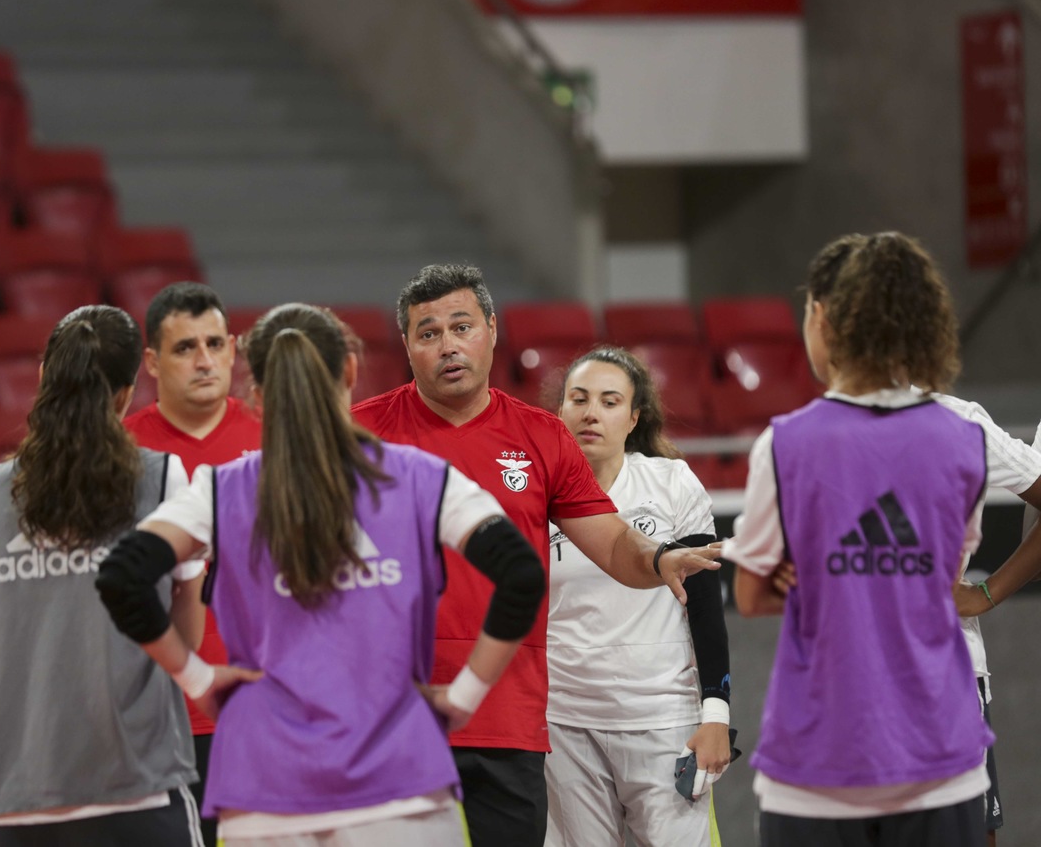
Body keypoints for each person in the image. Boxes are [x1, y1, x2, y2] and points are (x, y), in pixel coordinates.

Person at [95, 302, 548, 846]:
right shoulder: (421, 478)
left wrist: (197, 679)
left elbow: (122, 576)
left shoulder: (221, 490)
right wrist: (463, 696)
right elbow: (521, 573)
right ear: (351, 372)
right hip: (401, 787)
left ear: (258, 395)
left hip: (264, 793)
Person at [351, 263, 721, 847]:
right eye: (428, 333)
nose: (448, 345)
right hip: (389, 719)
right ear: (407, 346)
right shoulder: (356, 437)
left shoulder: (541, 436)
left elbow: (613, 541)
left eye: (462, 326)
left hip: (509, 719)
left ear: (492, 331)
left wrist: (658, 559)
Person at [725, 232, 1001, 846]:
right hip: (943, 757)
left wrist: (806, 580)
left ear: (823, 317)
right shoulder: (966, 442)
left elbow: (750, 595)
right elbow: (939, 578)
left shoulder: (786, 443)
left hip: (817, 765)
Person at [0, 305, 205, 846]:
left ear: (46, 376)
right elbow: (185, 641)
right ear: (125, 393)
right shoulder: (162, 478)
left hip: (12, 805)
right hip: (134, 790)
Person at [545, 346, 731, 847]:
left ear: (633, 417)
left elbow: (707, 608)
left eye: (609, 402)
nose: (590, 413)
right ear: (559, 412)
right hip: (564, 725)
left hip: (663, 720)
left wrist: (716, 713)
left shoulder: (670, 482)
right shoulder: (533, 495)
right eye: (578, 399)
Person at [123, 283, 260, 844]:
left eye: (214, 344)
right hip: (160, 715)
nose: (204, 361)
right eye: (185, 348)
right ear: (152, 362)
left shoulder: (278, 438)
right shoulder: (121, 451)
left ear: (233, 348)